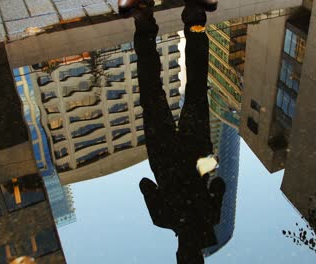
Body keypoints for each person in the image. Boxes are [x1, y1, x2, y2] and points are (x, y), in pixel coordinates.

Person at [118, 0, 225, 263]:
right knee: (151, 87)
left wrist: (206, 168)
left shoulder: (210, 219)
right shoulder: (162, 218)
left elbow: (218, 183)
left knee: (197, 84)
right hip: (163, 151)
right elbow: (145, 185)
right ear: (178, 252)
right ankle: (144, 20)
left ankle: (195, 16)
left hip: (196, 149)